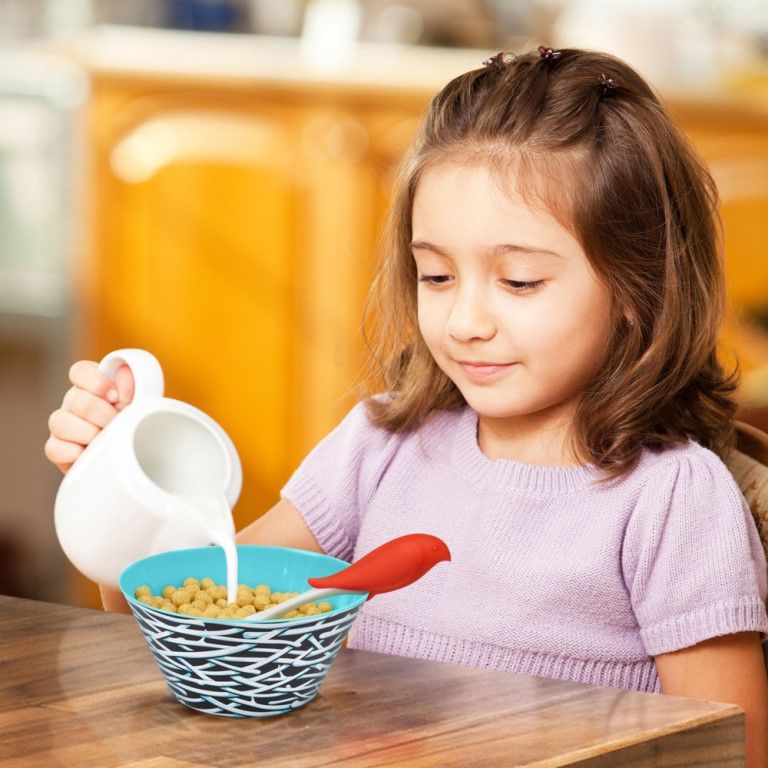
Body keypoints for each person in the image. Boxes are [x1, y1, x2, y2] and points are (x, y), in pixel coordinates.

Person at [46, 46, 768, 765]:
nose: (465, 321)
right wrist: (118, 490)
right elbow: (203, 621)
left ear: (639, 288)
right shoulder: (380, 447)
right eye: (437, 274)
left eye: (518, 282)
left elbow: (732, 747)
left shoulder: (672, 496)